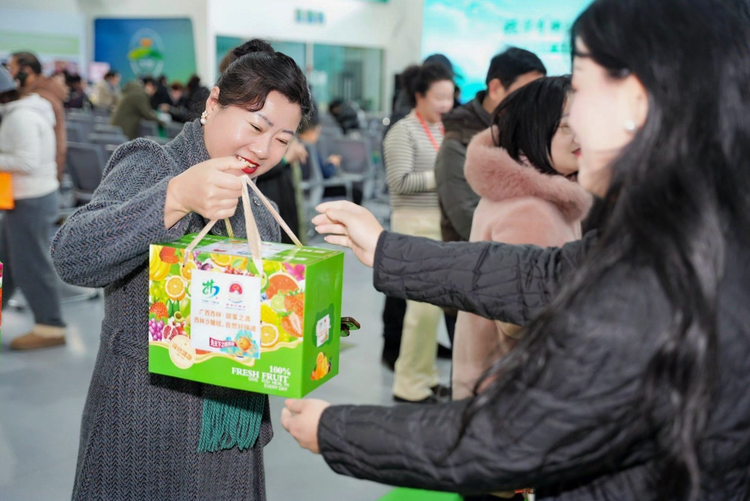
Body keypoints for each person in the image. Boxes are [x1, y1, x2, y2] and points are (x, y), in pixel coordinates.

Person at [281, 0, 750, 499]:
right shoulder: (692, 225)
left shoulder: (662, 270)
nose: (571, 121)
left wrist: (333, 429)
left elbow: (502, 439)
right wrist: (386, 249)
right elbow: (541, 276)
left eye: (580, 89)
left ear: (635, 101)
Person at [51, 39, 312, 500]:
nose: (263, 148)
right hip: (146, 420)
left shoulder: (256, 201)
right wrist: (174, 198)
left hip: (230, 427)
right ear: (214, 103)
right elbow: (73, 255)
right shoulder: (155, 164)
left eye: (282, 140)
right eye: (256, 125)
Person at [452, 75, 592, 405]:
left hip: (493, 383)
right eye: (566, 127)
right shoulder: (532, 208)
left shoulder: (522, 193)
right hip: (511, 392)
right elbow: (519, 316)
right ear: (535, 130)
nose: (582, 136)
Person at [383, 62, 454, 403]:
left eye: (450, 97)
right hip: (411, 226)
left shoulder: (443, 129)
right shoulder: (403, 131)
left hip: (437, 225)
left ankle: (426, 378)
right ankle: (407, 385)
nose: (445, 104)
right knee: (418, 312)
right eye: (438, 97)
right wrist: (445, 176)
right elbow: (399, 182)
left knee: (431, 312)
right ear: (419, 96)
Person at [436, 47, 546, 243]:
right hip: (475, 261)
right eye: (527, 93)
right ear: (495, 89)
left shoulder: (525, 133)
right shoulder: (458, 142)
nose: (534, 103)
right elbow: (465, 218)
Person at [0, 67, 67, 350]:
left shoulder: (21, 118)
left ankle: (50, 326)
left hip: (31, 199)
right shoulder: (22, 113)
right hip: (22, 198)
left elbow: (27, 161)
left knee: (31, 265)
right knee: (7, 263)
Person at [7, 51, 67, 182]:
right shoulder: (35, 93)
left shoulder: (40, 98)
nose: (8, 74)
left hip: (38, 178)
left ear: (26, 70)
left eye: (11, 69)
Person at [297, 114, 363, 205]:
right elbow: (326, 174)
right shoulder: (310, 148)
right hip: (317, 187)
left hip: (303, 189)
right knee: (356, 191)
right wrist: (333, 164)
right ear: (311, 132)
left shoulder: (295, 145)